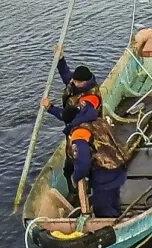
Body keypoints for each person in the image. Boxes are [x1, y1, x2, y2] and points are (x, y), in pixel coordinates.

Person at [41, 45, 103, 194]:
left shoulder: (90, 99)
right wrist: (60, 58)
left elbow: (67, 115)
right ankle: (74, 191)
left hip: (85, 131)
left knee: (85, 162)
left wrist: (50, 108)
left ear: (84, 82)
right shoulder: (77, 83)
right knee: (69, 168)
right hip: (73, 130)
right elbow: (66, 75)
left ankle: (87, 190)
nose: (72, 82)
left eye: (76, 81)